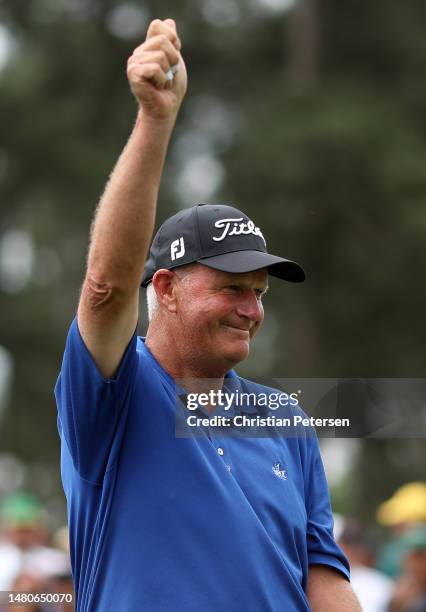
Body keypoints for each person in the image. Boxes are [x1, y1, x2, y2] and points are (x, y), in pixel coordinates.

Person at [55, 18, 361, 612]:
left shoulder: (283, 419)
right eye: (231, 289)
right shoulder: (116, 394)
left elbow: (322, 574)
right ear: (165, 288)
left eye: (260, 293)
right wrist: (155, 120)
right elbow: (105, 289)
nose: (251, 310)